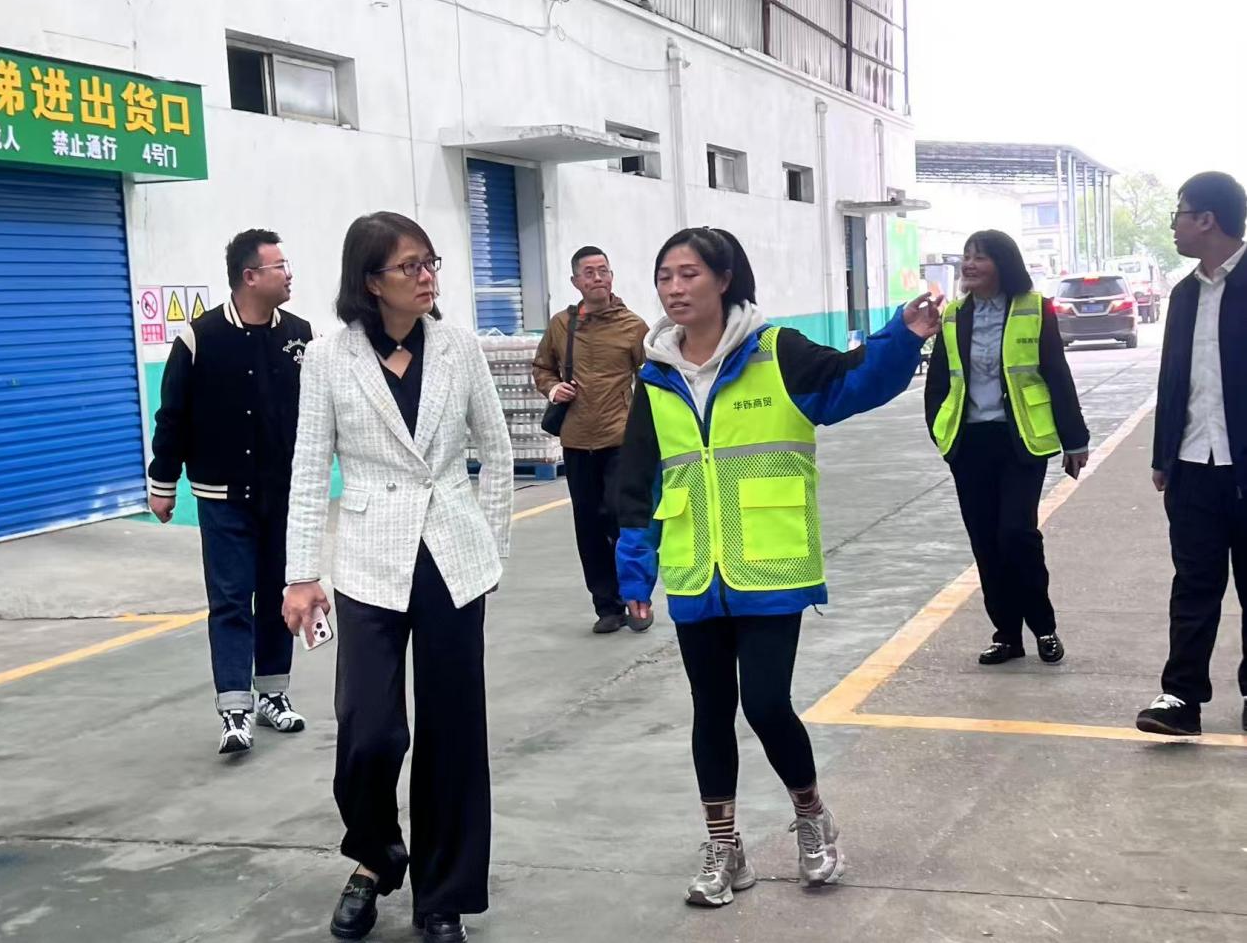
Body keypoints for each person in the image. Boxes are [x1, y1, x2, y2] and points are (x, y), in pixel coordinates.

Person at [616, 227, 941, 906]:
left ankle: (811, 818)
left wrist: (902, 336)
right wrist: (635, 572)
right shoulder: (655, 374)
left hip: (770, 566)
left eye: (688, 274)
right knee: (711, 711)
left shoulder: (776, 351)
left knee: (765, 704)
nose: (674, 289)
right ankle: (723, 847)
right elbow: (639, 479)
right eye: (664, 277)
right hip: (694, 571)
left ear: (724, 278)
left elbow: (851, 383)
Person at [282, 212, 512, 943]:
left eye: (429, 262)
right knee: (369, 731)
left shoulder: (459, 347)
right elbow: (309, 469)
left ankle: (442, 896)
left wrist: (491, 547)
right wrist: (299, 575)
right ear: (370, 281)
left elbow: (498, 451)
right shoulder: (328, 358)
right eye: (408, 266)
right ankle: (377, 857)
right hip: (368, 560)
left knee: (453, 732)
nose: (425, 276)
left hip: (451, 557)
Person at [147, 228, 312, 755]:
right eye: (279, 266)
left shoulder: (301, 336)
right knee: (231, 601)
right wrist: (163, 483)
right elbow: (172, 415)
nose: (289, 275)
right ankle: (235, 710)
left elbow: (319, 413)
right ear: (250, 276)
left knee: (280, 595)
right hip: (221, 496)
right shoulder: (200, 339)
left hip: (282, 494)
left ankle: (273, 695)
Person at [924, 230, 1089, 666]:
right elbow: (939, 379)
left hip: (1020, 442)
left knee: (1016, 534)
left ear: (1003, 263)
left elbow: (1056, 373)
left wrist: (1075, 439)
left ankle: (1044, 627)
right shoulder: (955, 314)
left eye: (980, 257)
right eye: (967, 256)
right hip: (969, 444)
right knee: (985, 542)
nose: (969, 264)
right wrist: (940, 432)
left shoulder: (1035, 308)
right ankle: (1007, 636)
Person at [1136, 172, 1247, 737]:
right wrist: (1164, 456)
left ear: (1207, 219)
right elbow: (1173, 380)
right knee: (1194, 584)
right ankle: (1181, 697)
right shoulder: (1183, 295)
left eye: (1179, 213)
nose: (1174, 226)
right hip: (1193, 466)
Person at [533, 246, 650, 634]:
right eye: (589, 272)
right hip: (577, 440)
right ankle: (607, 606)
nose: (598, 278)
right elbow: (542, 367)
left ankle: (637, 599)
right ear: (575, 282)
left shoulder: (633, 326)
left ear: (612, 277)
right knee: (588, 525)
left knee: (622, 519)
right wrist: (554, 389)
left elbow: (651, 379)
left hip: (620, 440)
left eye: (603, 271)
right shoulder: (561, 326)